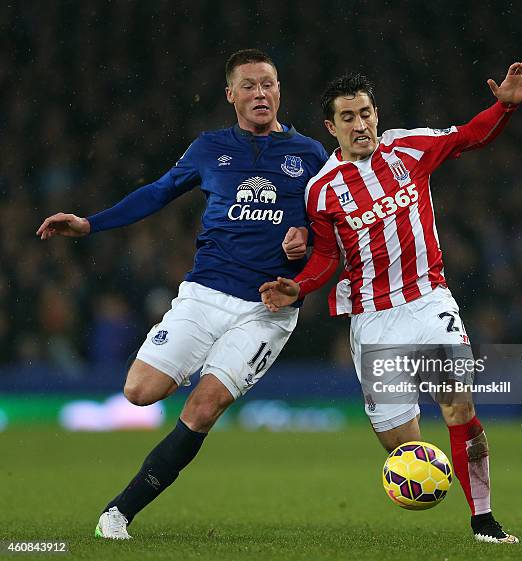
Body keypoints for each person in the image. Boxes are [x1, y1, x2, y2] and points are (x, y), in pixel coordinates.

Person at [37, 48, 328, 539]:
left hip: (267, 308)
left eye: (270, 84)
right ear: (231, 94)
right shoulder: (209, 148)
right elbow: (157, 191)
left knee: (203, 407)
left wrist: (305, 237)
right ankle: (200, 365)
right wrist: (90, 224)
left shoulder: (310, 155)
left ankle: (119, 513)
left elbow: (330, 225)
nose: (262, 93)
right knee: (139, 392)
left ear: (280, 90)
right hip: (203, 295)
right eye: (250, 85)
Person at [260, 59, 522, 544]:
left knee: (457, 405)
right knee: (403, 449)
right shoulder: (322, 191)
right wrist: (299, 287)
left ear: (376, 113)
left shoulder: (406, 147)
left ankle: (484, 521)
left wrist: (504, 107)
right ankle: (434, 476)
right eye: (347, 117)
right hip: (373, 322)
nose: (360, 124)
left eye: (365, 113)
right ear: (331, 127)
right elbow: (327, 257)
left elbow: (468, 136)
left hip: (429, 303)